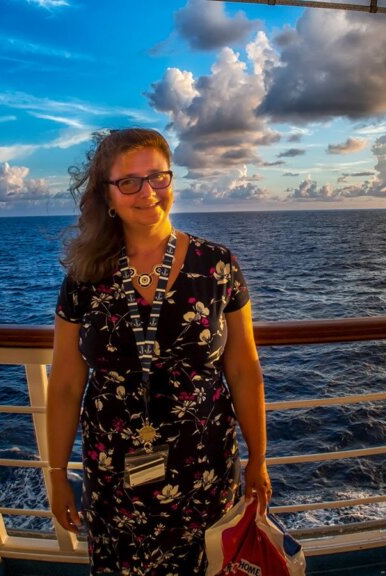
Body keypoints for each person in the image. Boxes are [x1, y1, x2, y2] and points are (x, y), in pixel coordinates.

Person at [45, 128, 271, 574]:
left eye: (158, 177)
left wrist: (259, 459)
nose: (147, 192)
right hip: (114, 472)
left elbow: (244, 368)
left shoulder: (217, 265)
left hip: (205, 465)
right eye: (129, 181)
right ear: (107, 196)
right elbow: (67, 383)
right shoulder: (85, 276)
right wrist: (55, 475)